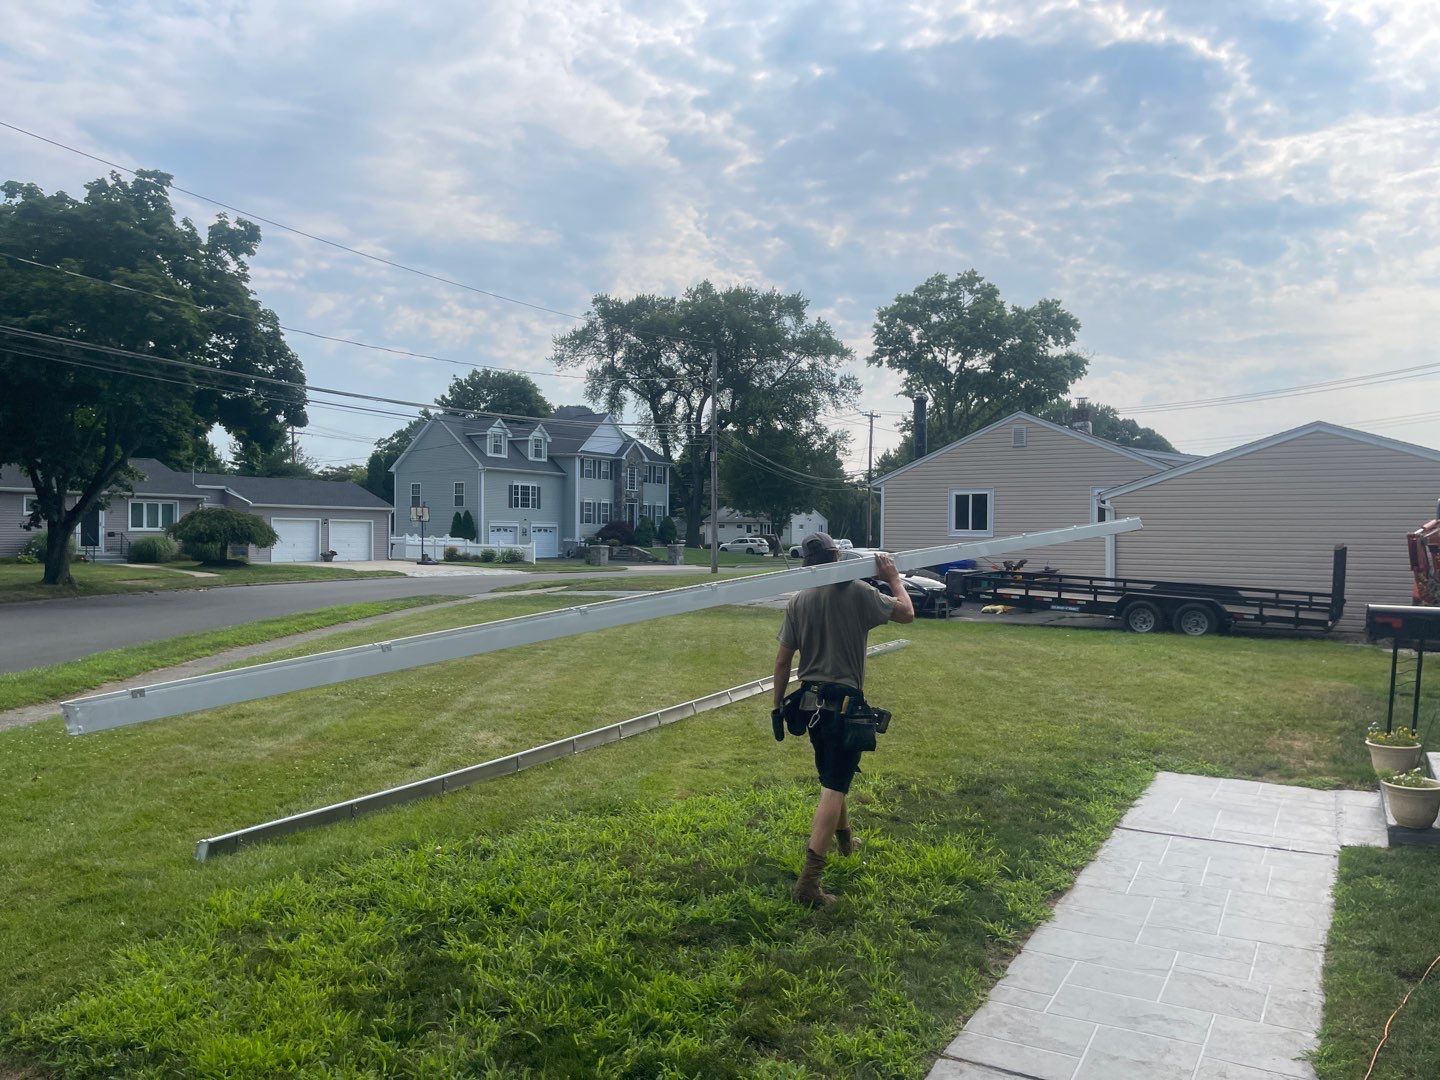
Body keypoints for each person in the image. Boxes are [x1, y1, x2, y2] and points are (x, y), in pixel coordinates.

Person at [772, 533, 914, 906]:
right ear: (838, 557)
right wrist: (894, 579)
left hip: (809, 705)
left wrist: (775, 706)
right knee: (834, 786)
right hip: (843, 705)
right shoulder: (858, 593)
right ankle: (809, 883)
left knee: (833, 778)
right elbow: (907, 613)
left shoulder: (799, 601)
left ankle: (846, 839)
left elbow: (783, 662)